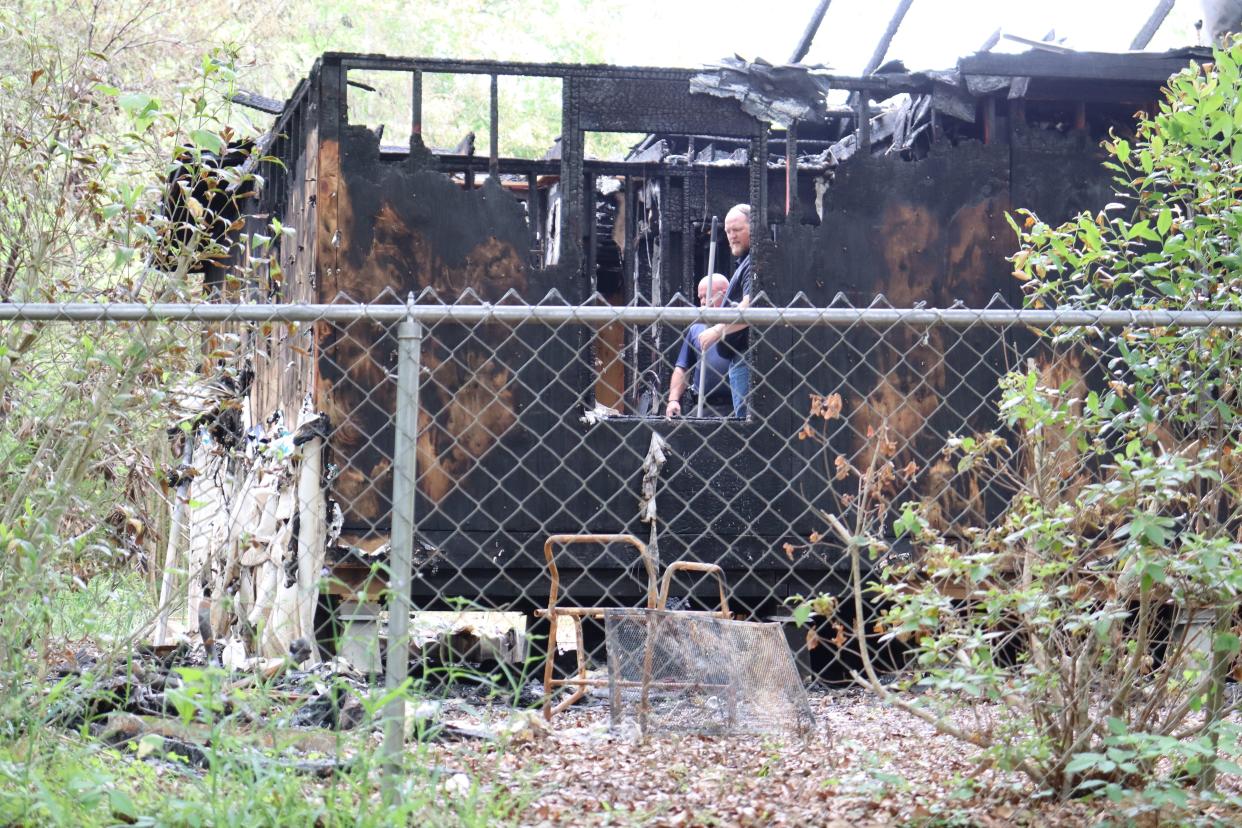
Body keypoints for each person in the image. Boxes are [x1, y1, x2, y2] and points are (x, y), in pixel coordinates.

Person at [697, 204, 753, 417]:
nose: (731, 236)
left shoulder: (753, 263)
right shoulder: (744, 264)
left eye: (737, 230)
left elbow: (752, 307)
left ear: (753, 227)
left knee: (746, 422)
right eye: (728, 231)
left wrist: (716, 331)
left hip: (746, 357)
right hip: (740, 359)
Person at [665, 273, 732, 418]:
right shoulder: (696, 329)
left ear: (724, 294)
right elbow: (682, 367)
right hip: (704, 406)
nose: (702, 302)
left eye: (706, 296)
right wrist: (673, 399)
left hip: (734, 405)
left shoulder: (738, 325)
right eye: (700, 297)